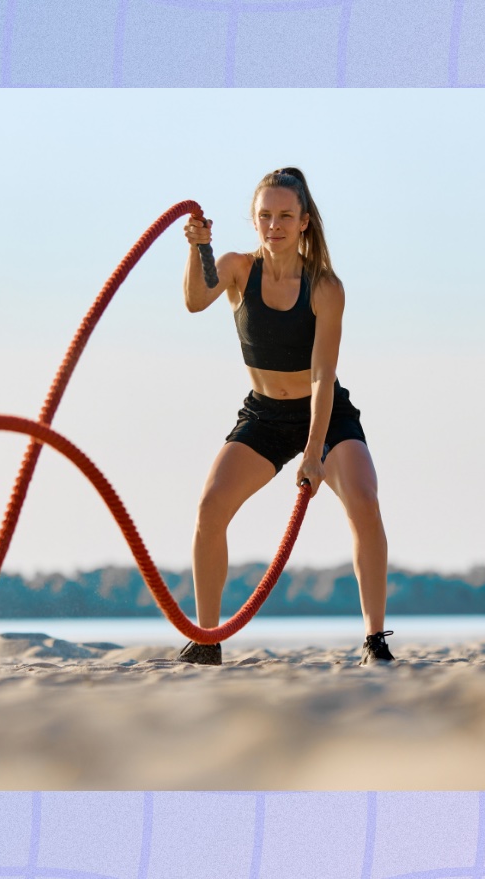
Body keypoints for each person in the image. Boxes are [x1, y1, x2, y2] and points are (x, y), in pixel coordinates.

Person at [178, 167, 394, 667]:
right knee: (210, 508)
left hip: (325, 413)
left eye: (284, 215)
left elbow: (323, 376)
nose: (273, 224)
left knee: (363, 499)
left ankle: (375, 639)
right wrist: (197, 247)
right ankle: (207, 639)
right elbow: (193, 301)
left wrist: (316, 452)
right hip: (265, 413)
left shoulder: (325, 287)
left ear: (304, 222)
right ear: (253, 220)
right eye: (264, 215)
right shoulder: (236, 268)